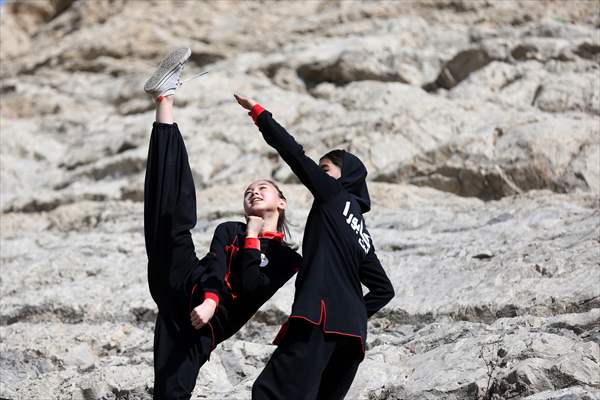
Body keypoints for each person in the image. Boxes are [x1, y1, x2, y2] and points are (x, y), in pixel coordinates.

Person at [143, 48, 302, 400]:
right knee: (169, 217)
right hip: (189, 287)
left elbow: (250, 285)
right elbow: (215, 264)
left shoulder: (286, 259)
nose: (254, 192)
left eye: (263, 188)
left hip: (203, 325)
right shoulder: (229, 229)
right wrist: (211, 296)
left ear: (282, 202)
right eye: (249, 190)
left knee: (170, 390)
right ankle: (164, 99)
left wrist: (253, 236)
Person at [234, 94, 395, 400]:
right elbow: (384, 290)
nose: (319, 174)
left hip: (319, 320)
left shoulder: (334, 196)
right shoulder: (363, 234)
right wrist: (354, 313)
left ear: (344, 177)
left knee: (270, 392)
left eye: (326, 169)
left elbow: (293, 154)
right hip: (353, 339)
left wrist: (259, 114)